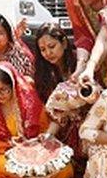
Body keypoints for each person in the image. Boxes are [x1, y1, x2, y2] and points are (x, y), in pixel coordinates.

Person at [0, 62, 72, 178]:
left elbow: (43, 131)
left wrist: (31, 144)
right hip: (5, 154)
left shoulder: (31, 104)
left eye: (4, 90)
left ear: (14, 86)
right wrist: (11, 145)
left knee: (65, 171)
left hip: (34, 154)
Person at [32, 24, 83, 152]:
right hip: (59, 125)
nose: (48, 53)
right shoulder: (44, 72)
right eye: (43, 50)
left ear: (64, 43)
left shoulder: (80, 63)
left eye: (52, 47)